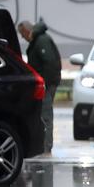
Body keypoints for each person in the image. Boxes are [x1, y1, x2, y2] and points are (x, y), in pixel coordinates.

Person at [18, 19, 62, 151]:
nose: (22, 37)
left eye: (22, 34)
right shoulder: (39, 40)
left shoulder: (41, 41)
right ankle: (44, 145)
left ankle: (46, 146)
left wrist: (44, 84)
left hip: (46, 85)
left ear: (26, 30)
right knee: (43, 115)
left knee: (45, 115)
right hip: (45, 84)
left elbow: (49, 63)